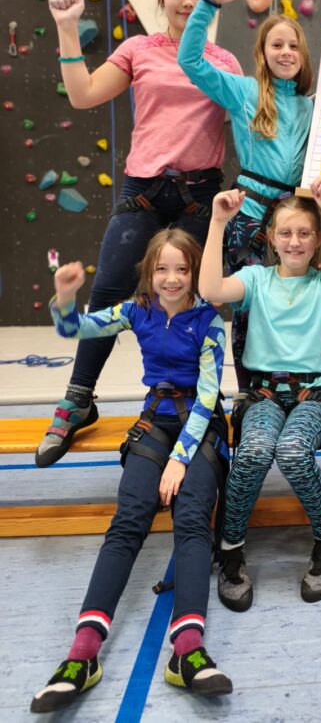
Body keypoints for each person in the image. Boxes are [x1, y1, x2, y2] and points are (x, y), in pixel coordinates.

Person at [36, 0, 242, 468]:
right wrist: (67, 27)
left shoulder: (223, 61)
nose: (187, 2)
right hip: (145, 188)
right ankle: (78, 398)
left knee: (200, 298)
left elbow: (254, 122)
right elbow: (83, 95)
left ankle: (196, 402)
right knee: (109, 288)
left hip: (200, 193)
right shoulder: (138, 50)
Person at [31, 229, 231, 714]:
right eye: (162, 269)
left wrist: (180, 459)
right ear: (149, 272)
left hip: (200, 425)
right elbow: (74, 329)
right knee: (127, 520)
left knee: (192, 522)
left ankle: (187, 650)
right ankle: (82, 653)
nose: (172, 278)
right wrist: (65, 297)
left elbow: (208, 397)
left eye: (182, 269)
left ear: (194, 273)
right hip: (154, 421)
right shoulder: (135, 310)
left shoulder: (209, 320)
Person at [198, 178, 321, 609]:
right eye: (285, 232)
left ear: (318, 239)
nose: (294, 241)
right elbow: (211, 291)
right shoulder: (255, 279)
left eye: (304, 233)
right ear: (270, 237)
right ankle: (230, 548)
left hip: (315, 395)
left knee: (291, 451)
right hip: (264, 395)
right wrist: (218, 222)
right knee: (253, 451)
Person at [177, 0, 315, 388]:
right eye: (277, 45)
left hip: (293, 219)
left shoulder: (312, 108)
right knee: (250, 306)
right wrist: (208, 4)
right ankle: (250, 390)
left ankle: (298, 385)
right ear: (262, 53)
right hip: (250, 218)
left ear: (303, 55)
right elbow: (190, 61)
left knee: (296, 305)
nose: (286, 52)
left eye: (293, 46)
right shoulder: (243, 91)